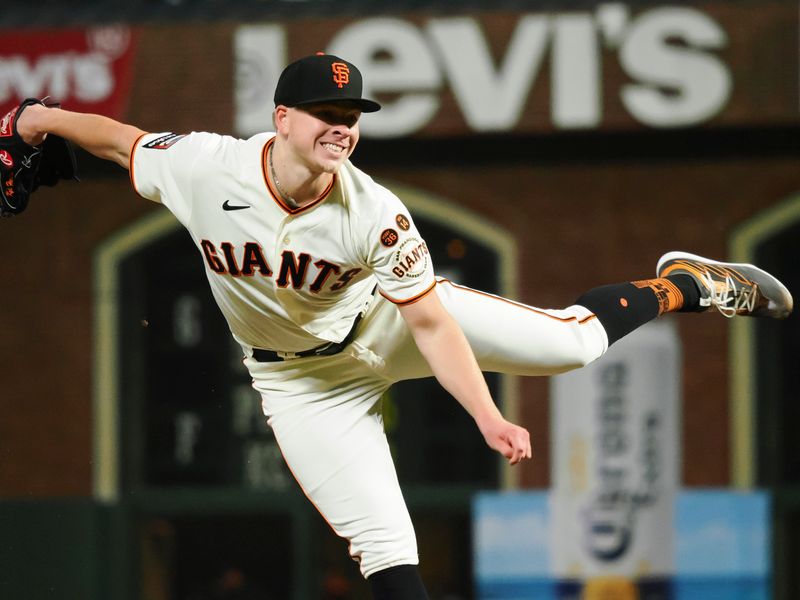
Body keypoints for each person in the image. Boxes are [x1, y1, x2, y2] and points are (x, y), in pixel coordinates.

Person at [13, 53, 793, 600]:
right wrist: (35, 119)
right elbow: (118, 141)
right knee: (384, 546)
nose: (341, 128)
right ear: (282, 117)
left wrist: (486, 416)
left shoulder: (374, 210)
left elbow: (430, 323)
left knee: (572, 344)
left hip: (381, 328)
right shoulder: (206, 167)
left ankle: (685, 285)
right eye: (325, 113)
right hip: (297, 383)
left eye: (351, 116)